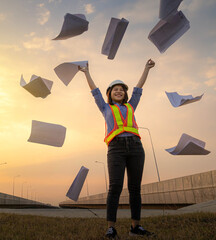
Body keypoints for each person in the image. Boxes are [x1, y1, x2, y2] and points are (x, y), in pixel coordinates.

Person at [79, 59, 155, 239]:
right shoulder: (104, 107)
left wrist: (146, 68)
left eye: (122, 89)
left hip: (136, 147)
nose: (119, 91)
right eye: (115, 89)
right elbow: (94, 91)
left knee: (135, 188)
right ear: (110, 94)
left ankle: (135, 227)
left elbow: (139, 88)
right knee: (115, 188)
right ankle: (111, 228)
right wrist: (86, 72)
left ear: (125, 94)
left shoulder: (131, 105)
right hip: (116, 148)